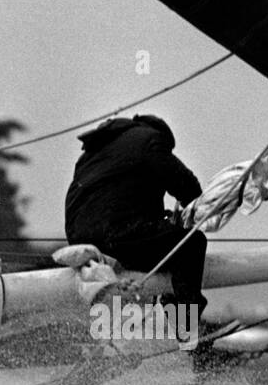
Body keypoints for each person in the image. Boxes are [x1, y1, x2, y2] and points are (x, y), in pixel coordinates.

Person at [64, 114, 208, 326]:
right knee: (191, 244)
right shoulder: (150, 139)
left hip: (80, 239)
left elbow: (117, 197)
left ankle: (170, 316)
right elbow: (187, 186)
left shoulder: (96, 151)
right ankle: (188, 328)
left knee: (166, 247)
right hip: (114, 234)